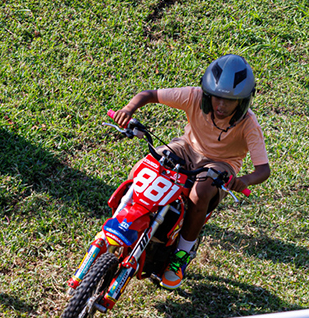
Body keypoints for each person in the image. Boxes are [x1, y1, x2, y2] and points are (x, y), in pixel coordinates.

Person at [112, 55, 271, 289]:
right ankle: (123, 219)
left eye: (230, 101)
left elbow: (263, 170)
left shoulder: (249, 124)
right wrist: (129, 108)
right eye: (216, 98)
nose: (221, 106)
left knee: (200, 193)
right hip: (186, 147)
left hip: (220, 164)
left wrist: (243, 180)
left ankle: (181, 256)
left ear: (243, 102)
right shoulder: (194, 96)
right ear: (207, 94)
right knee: (143, 166)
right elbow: (149, 95)